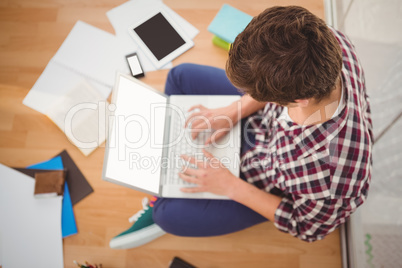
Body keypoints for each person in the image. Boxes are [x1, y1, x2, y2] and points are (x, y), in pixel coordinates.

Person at [110, 5, 372, 249]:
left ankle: (166, 194)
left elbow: (306, 226)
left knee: (166, 215)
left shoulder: (331, 180)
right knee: (180, 76)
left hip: (263, 181)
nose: (244, 92)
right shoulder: (325, 38)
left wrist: (229, 186)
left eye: (254, 91)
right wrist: (233, 110)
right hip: (262, 127)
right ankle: (172, 176)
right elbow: (272, 87)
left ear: (297, 100)